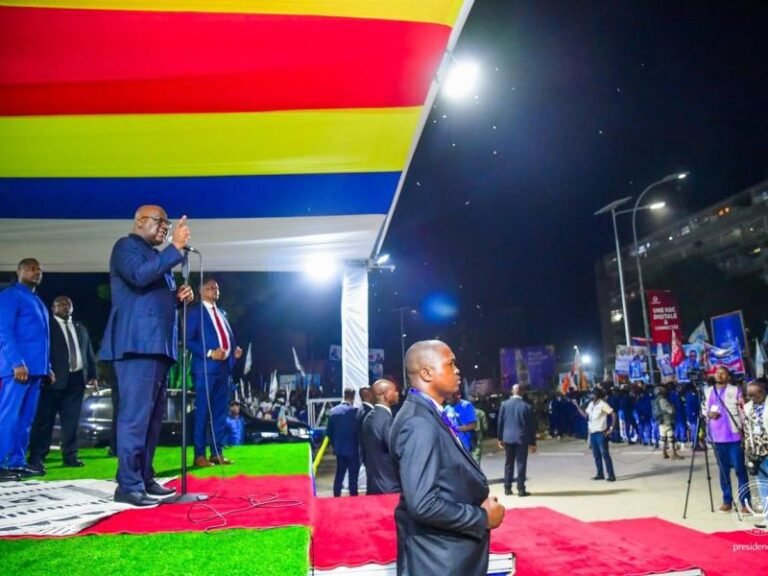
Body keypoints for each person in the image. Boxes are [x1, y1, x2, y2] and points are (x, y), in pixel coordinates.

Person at [100, 205, 194, 507]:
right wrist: (175, 247)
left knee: (152, 421)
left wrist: (177, 299)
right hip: (136, 345)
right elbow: (139, 277)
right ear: (141, 221)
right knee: (135, 418)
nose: (165, 227)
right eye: (160, 221)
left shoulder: (155, 256)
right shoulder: (125, 247)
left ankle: (144, 477)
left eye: (167, 223)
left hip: (157, 346)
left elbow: (152, 300)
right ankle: (128, 485)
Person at [390, 340, 505, 576]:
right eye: (450, 364)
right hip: (440, 561)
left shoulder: (429, 413)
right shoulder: (419, 423)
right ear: (426, 373)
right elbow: (423, 504)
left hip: (445, 554)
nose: (457, 370)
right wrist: (482, 518)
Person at [28, 296, 99, 473]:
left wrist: (93, 376)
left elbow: (88, 353)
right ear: (53, 309)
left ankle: (70, 456)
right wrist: (45, 370)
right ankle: (37, 458)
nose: (65, 307)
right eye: (60, 304)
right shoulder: (46, 327)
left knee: (72, 422)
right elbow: (40, 350)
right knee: (44, 422)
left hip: (76, 381)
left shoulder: (80, 327)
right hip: (52, 381)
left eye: (68, 304)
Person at [0, 258, 53, 482]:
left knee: (25, 420)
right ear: (19, 272)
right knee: (8, 417)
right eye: (31, 268)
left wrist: (47, 366)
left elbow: (43, 338)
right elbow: (4, 331)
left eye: (39, 269)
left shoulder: (37, 300)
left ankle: (17, 462)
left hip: (36, 371)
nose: (37, 271)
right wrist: (17, 363)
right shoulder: (10, 295)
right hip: (17, 370)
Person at [186, 277, 242, 468]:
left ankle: (217, 453)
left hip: (224, 370)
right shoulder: (195, 312)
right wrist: (210, 353)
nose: (214, 290)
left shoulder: (222, 313)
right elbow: (188, 340)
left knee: (220, 413)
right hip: (205, 370)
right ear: (200, 291)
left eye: (216, 287)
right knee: (203, 412)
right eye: (210, 287)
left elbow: (228, 338)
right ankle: (199, 454)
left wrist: (234, 352)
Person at [702, 366, 751, 513]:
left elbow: (742, 410)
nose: (720, 375)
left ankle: (745, 503)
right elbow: (704, 408)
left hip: (734, 436)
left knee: (740, 470)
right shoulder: (707, 391)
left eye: (723, 373)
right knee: (723, 472)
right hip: (716, 438)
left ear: (728, 376)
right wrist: (708, 414)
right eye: (717, 373)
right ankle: (727, 501)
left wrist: (744, 430)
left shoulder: (735, 390)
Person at [361, 378, 400, 495]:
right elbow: (397, 451)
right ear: (386, 395)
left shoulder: (368, 418)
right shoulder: (387, 420)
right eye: (394, 390)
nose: (397, 393)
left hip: (373, 485)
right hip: (390, 487)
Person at [497, 384, 537, 496]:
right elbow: (531, 426)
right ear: (522, 392)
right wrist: (532, 443)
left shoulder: (504, 405)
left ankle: (507, 488)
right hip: (522, 438)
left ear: (512, 391)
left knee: (508, 463)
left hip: (508, 438)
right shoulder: (527, 406)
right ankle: (521, 489)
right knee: (521, 464)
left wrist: (500, 438)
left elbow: (500, 422)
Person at [574, 388, 617, 481]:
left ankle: (611, 475)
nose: (591, 396)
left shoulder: (603, 404)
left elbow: (613, 414)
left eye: (593, 394)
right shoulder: (590, 404)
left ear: (597, 395)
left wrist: (611, 429)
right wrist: (577, 406)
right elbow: (585, 416)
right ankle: (600, 473)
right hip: (592, 433)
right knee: (596, 455)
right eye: (590, 394)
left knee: (605, 454)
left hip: (601, 433)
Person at [326, 388, 361, 497]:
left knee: (339, 475)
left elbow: (329, 433)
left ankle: (336, 496)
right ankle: (353, 498)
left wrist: (335, 445)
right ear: (353, 397)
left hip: (339, 450)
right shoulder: (356, 412)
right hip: (353, 449)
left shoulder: (333, 412)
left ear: (344, 395)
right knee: (353, 477)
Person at [743, 378, 768, 529]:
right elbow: (747, 431)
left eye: (754, 395)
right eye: (749, 395)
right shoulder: (747, 408)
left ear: (763, 392)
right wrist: (748, 449)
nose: (751, 398)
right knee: (762, 486)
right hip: (757, 453)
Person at [653, 385, 684, 460]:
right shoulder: (662, 400)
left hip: (660, 421)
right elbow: (670, 410)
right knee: (671, 437)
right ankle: (673, 454)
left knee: (663, 437)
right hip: (667, 420)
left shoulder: (655, 400)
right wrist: (673, 407)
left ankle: (664, 453)